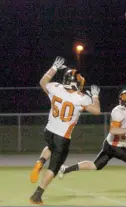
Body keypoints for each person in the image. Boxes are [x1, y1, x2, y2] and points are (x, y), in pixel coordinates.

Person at [29, 57, 101, 204]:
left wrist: (54, 67)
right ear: (75, 82)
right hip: (62, 137)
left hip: (49, 131)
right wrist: (95, 96)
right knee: (53, 169)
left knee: (50, 146)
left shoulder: (55, 87)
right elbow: (97, 110)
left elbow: (43, 82)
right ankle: (37, 195)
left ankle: (40, 161)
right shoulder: (81, 98)